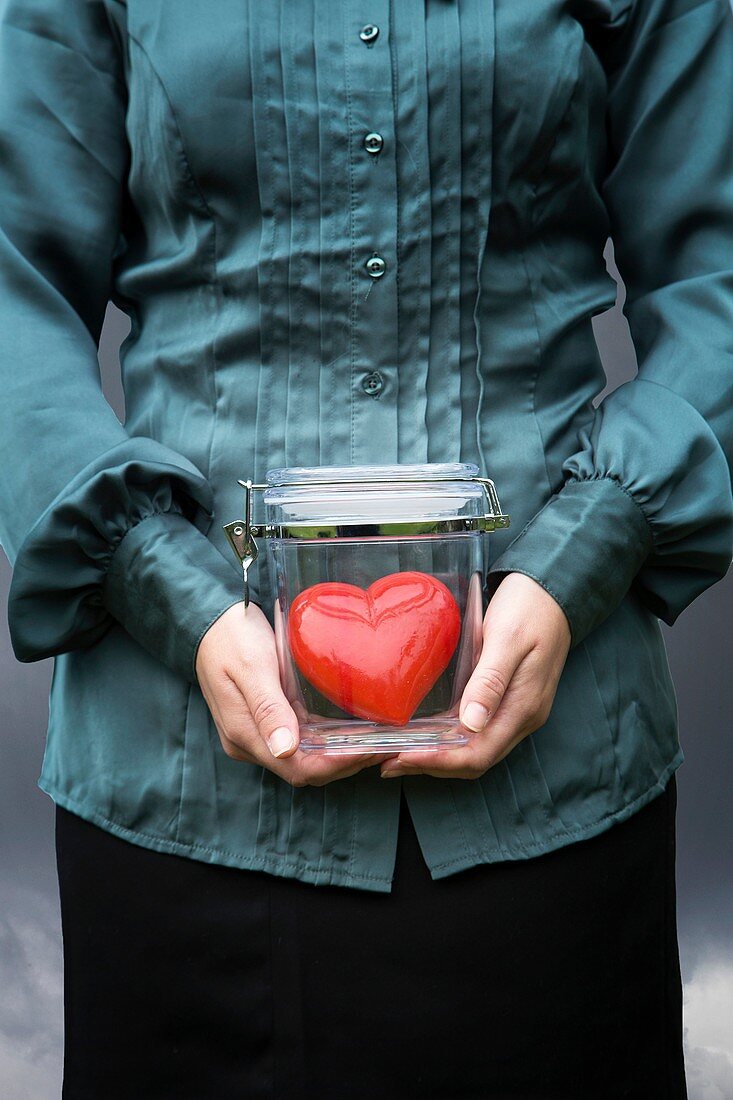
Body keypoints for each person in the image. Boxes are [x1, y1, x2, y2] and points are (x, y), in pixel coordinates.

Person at [1, 0, 732, 1096]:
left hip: (556, 777)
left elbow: (716, 271)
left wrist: (587, 552)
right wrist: (167, 585)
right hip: (179, 776)